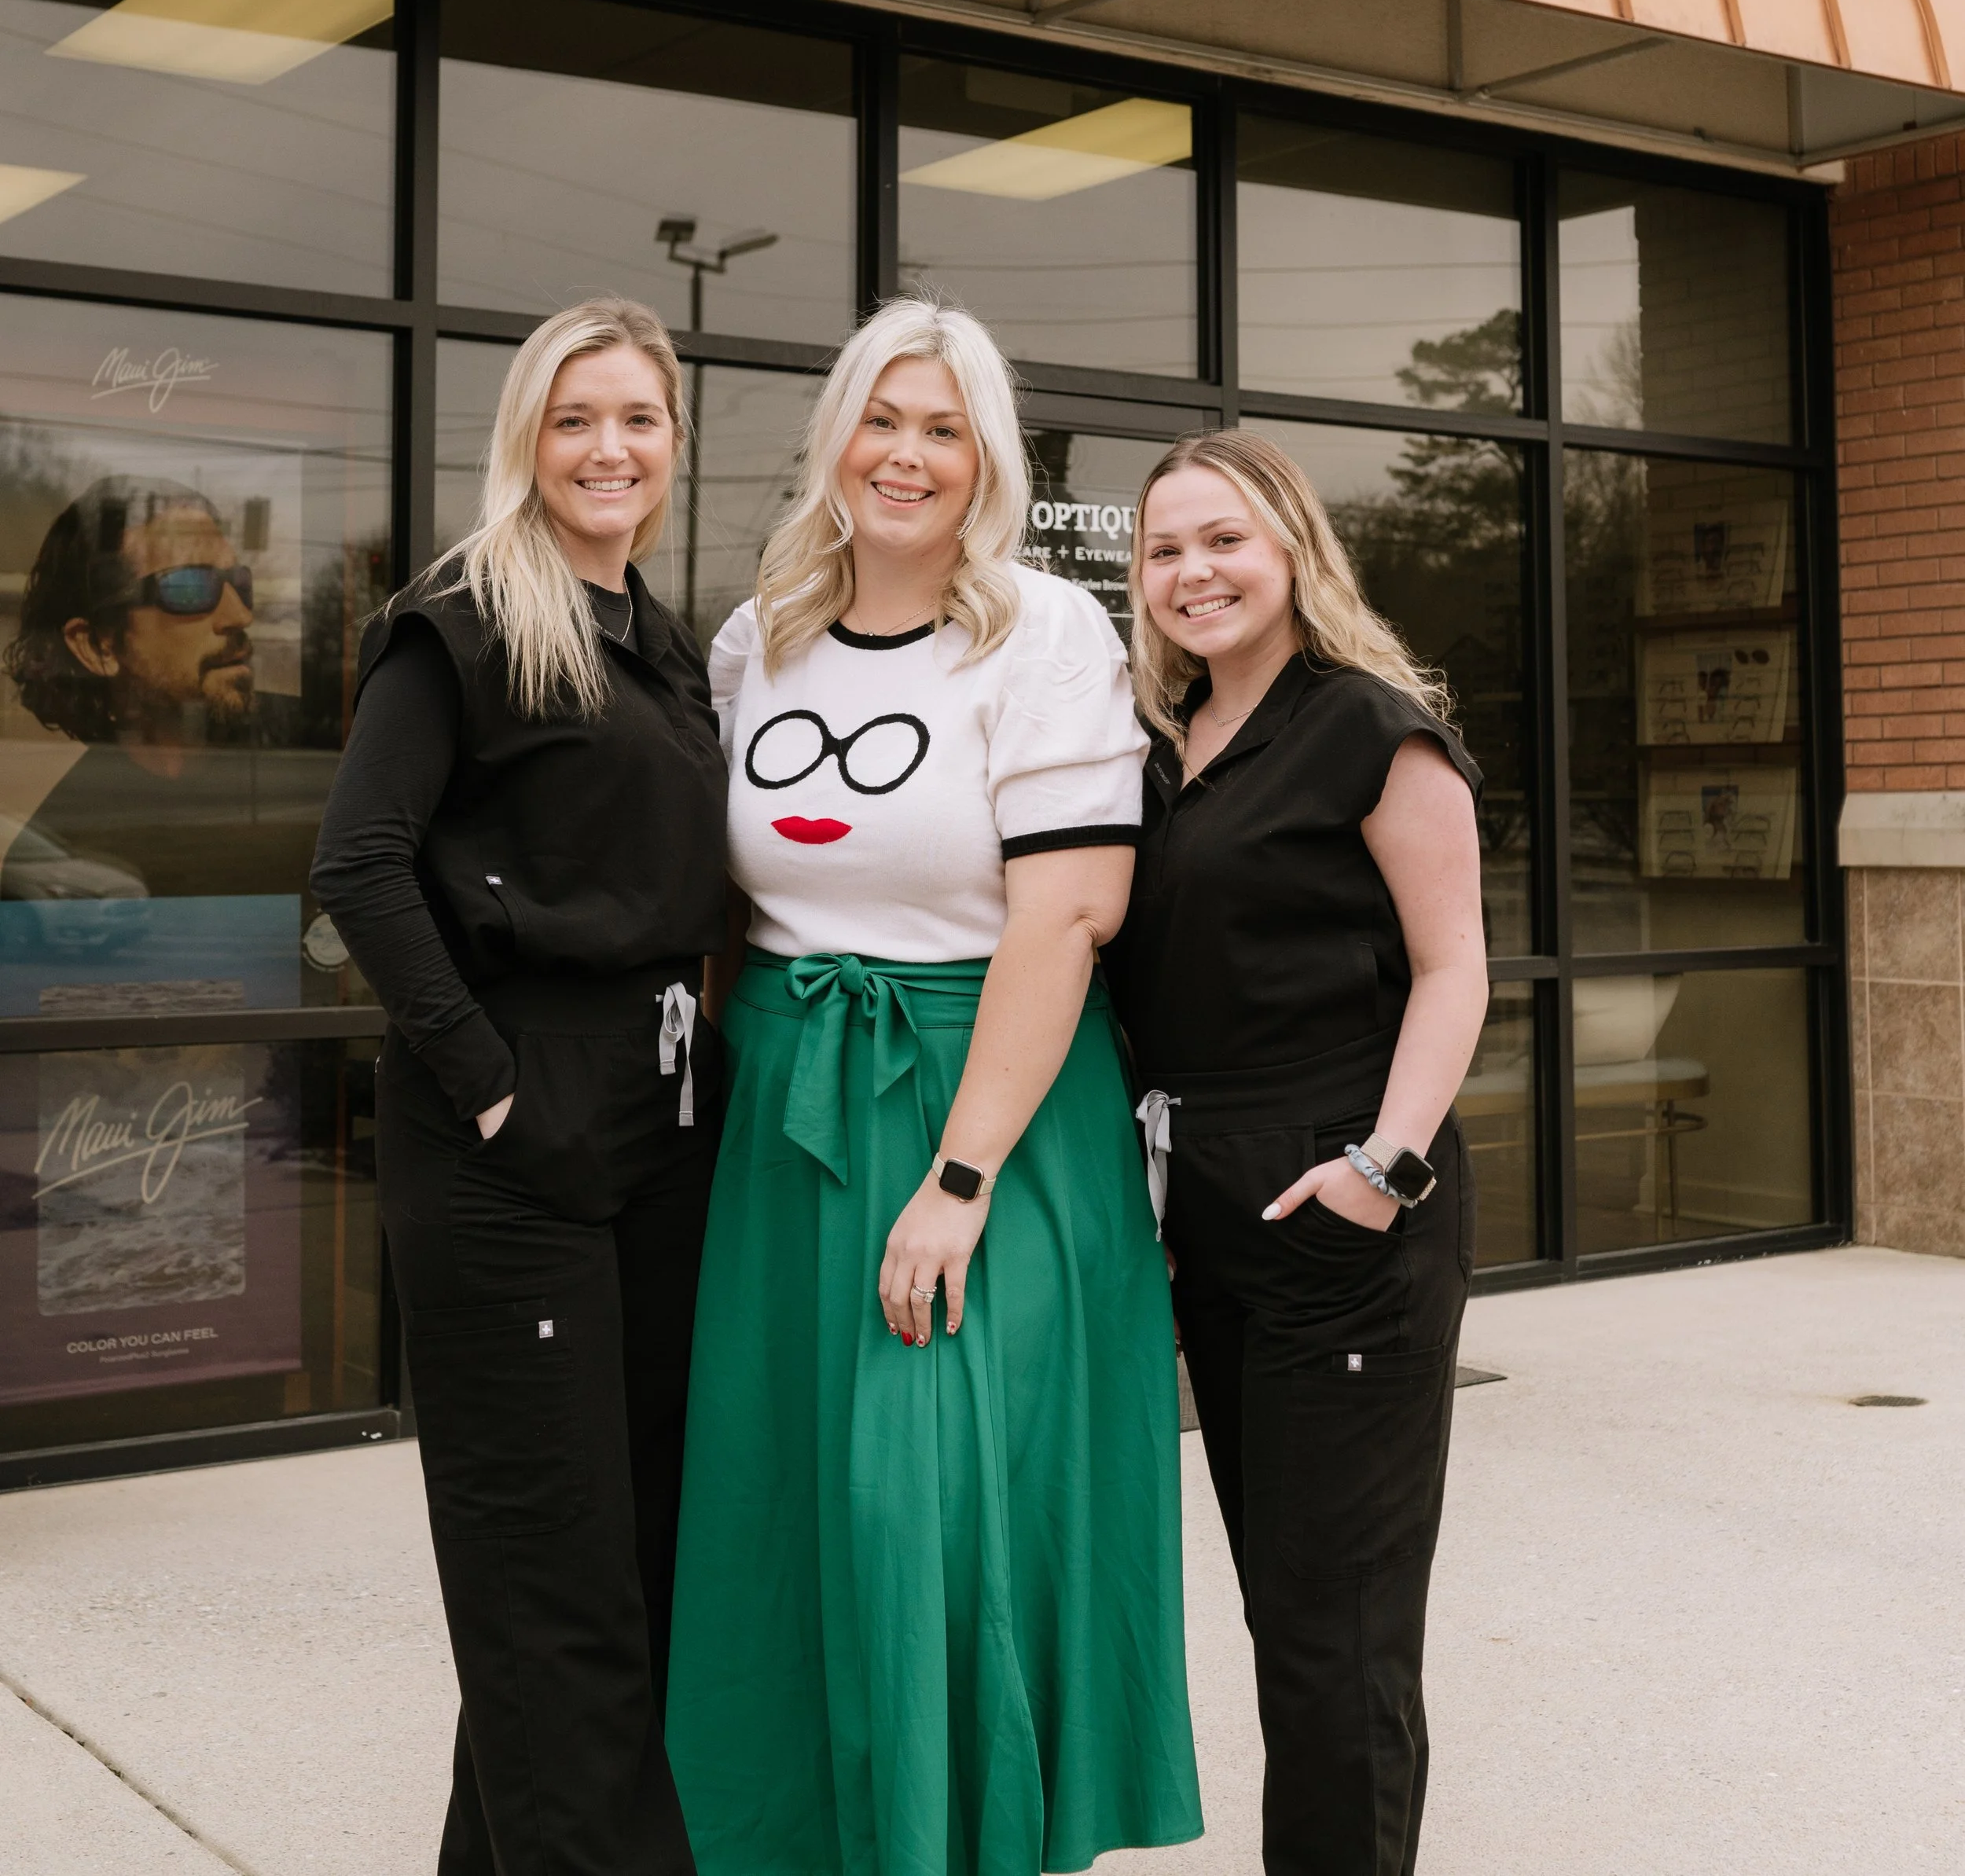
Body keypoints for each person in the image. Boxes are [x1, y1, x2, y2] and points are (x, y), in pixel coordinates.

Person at [667, 297, 1201, 1876]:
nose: (904, 455)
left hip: (981, 1119)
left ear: (987, 462)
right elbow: (722, 909)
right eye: (880, 419)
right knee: (785, 1506)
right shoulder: (750, 637)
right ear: (833, 436)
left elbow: (1066, 916)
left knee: (929, 1509)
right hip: (784, 1121)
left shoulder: (1044, 630)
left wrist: (958, 1180)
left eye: (941, 428)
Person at [310, 297, 726, 1876]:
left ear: (674, 441)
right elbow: (356, 863)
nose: (606, 446)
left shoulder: (662, 643)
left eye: (634, 417)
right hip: (509, 1151)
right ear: (525, 441)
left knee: (618, 1577)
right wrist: (488, 1084)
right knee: (556, 1602)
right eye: (573, 419)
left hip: (660, 1139)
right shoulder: (467, 618)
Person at [1104, 431, 1491, 1876]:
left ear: (1291, 553)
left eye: (1224, 541)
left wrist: (1382, 1172)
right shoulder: (1163, 743)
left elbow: (1456, 969)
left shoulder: (1369, 728)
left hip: (1347, 1229)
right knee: (1290, 1620)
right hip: (1208, 1226)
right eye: (1163, 550)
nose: (1192, 573)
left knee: (1341, 1644)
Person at [2, 475, 301, 899]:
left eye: (241, 583)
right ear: (97, 647)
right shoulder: (72, 826)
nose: (238, 616)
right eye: (190, 587)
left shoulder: (310, 748)